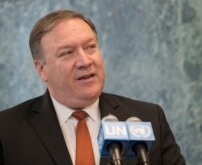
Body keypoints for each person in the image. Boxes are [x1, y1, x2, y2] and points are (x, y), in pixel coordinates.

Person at [0, 10, 185, 165]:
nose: (85, 61)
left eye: (90, 47)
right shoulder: (6, 130)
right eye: (67, 53)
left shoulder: (148, 117)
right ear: (42, 69)